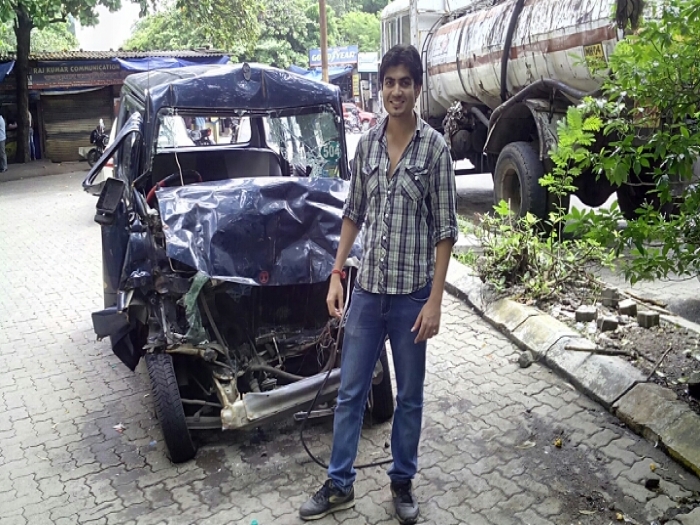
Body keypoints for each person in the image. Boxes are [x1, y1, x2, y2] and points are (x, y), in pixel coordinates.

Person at [299, 44, 458, 524]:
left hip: (412, 297)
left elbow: (445, 231)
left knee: (409, 397)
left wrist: (435, 301)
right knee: (350, 392)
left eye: (405, 82)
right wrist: (336, 274)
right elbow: (353, 213)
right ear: (381, 88)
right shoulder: (367, 144)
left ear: (417, 88)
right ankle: (339, 483)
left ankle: (402, 482)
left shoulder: (435, 149)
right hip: (367, 292)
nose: (396, 91)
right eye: (389, 82)